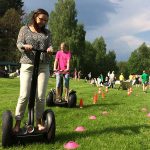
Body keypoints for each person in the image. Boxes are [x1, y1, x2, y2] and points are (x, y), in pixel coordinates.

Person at [13, 9, 53, 133]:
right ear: (35, 17)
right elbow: (19, 43)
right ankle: (17, 123)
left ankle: (39, 122)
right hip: (27, 64)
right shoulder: (24, 29)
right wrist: (24, 46)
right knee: (24, 95)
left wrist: (51, 48)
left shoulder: (47, 32)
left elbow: (50, 45)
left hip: (42, 65)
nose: (43, 22)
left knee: (40, 96)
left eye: (46, 20)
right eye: (41, 19)